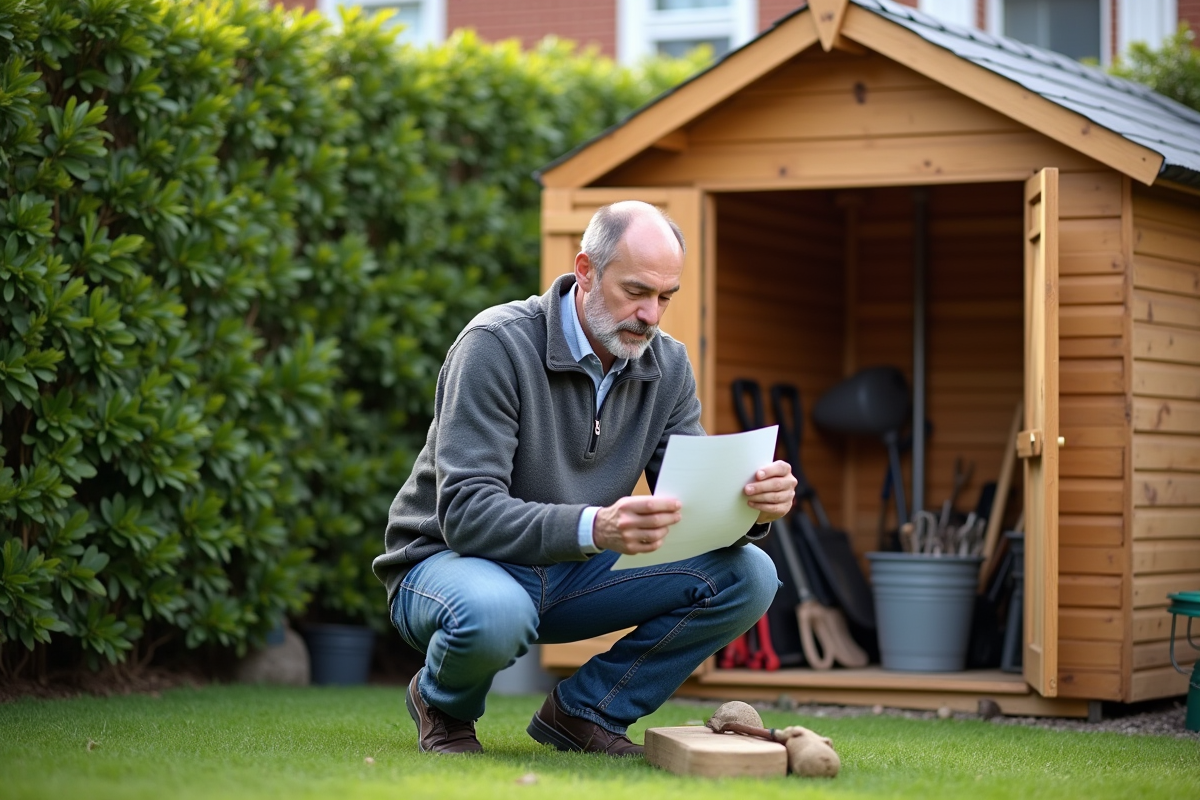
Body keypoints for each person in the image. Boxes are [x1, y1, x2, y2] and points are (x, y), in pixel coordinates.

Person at [372, 200, 796, 756]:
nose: (652, 314)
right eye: (637, 292)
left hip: (570, 574)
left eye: (665, 297)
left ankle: (587, 712)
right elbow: (467, 514)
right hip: (447, 563)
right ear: (586, 271)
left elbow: (688, 503)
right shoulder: (496, 345)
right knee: (496, 612)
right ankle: (443, 705)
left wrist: (753, 507)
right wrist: (597, 527)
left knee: (750, 575)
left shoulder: (667, 366)